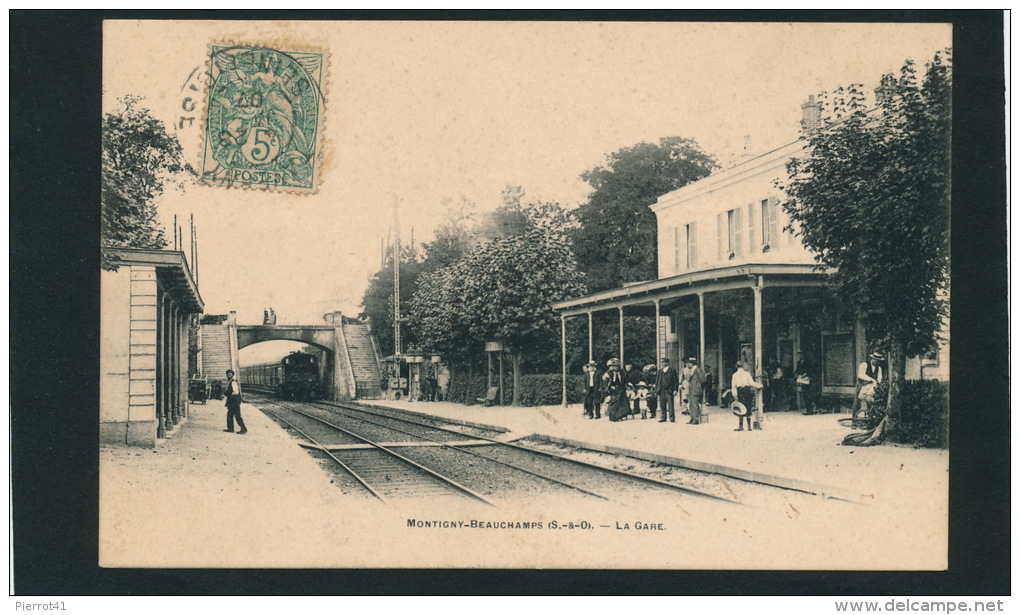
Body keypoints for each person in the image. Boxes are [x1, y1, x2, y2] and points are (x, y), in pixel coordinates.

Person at [731, 361, 762, 431]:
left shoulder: (734, 375)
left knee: (740, 408)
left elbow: (733, 387)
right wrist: (759, 385)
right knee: (748, 407)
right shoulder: (747, 373)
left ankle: (741, 426)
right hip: (747, 392)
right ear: (743, 366)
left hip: (740, 392)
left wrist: (735, 396)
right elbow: (751, 383)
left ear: (736, 366)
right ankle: (749, 427)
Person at [855, 351, 884, 421]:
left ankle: (869, 420)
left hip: (871, 386)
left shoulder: (879, 368)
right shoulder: (864, 364)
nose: (877, 362)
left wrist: (878, 383)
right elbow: (861, 375)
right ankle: (854, 421)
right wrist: (871, 379)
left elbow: (879, 377)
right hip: (862, 384)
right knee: (857, 402)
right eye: (876, 360)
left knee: (870, 400)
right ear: (873, 359)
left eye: (879, 361)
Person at [654, 357, 680, 423]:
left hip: (669, 390)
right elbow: (657, 381)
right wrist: (656, 390)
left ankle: (672, 417)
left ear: (667, 363)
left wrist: (675, 390)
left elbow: (675, 381)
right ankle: (663, 417)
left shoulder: (672, 370)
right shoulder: (659, 371)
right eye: (661, 362)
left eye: (663, 362)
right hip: (661, 390)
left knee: (670, 404)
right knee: (662, 404)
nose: (662, 363)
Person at [224, 369, 247, 434]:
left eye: (230, 375)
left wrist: (228, 393)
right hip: (232, 402)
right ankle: (230, 428)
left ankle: (243, 429)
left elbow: (236, 392)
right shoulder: (230, 382)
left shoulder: (233, 382)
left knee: (237, 416)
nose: (229, 376)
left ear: (232, 375)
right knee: (230, 415)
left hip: (234, 401)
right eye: (228, 375)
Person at [686, 357, 707, 425]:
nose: (687, 365)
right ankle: (692, 418)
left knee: (695, 405)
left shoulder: (698, 370)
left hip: (696, 390)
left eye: (688, 363)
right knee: (691, 405)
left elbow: (703, 380)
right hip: (691, 390)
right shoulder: (691, 370)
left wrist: (699, 386)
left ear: (692, 363)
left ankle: (696, 419)